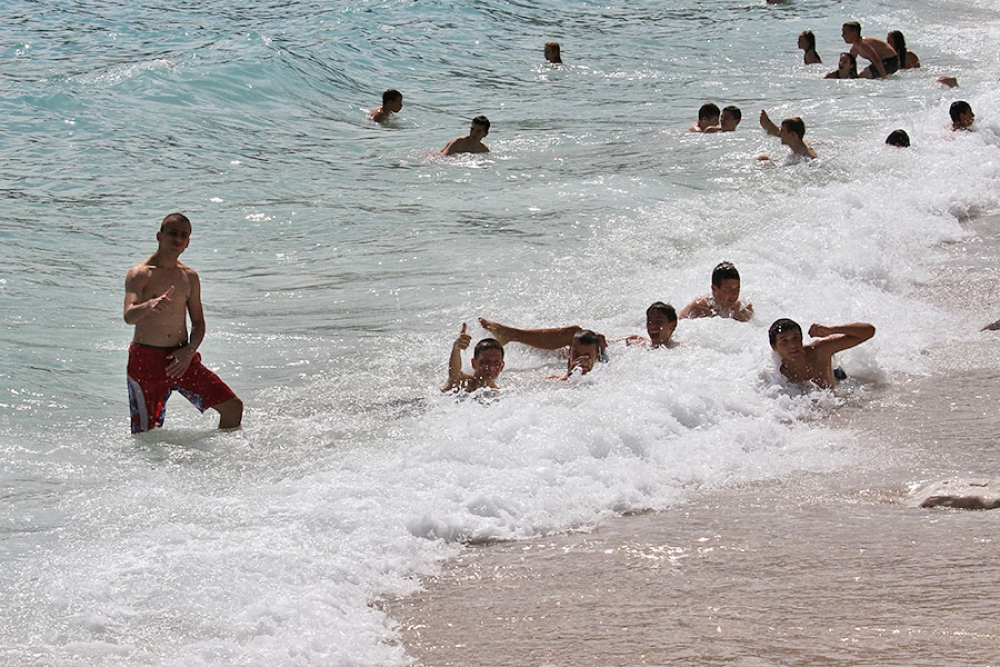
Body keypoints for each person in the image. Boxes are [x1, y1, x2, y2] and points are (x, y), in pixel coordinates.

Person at [124, 213, 243, 433]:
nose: (177, 239)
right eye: (172, 233)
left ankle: (224, 463)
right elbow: (129, 316)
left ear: (188, 242)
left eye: (183, 235)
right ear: (159, 236)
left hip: (182, 359)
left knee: (232, 408)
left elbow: (198, 323)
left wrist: (189, 352)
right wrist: (149, 305)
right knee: (145, 435)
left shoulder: (190, 277)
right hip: (146, 361)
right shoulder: (139, 274)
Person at [768, 319, 876, 389]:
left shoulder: (819, 351)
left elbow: (869, 331)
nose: (792, 345)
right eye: (784, 341)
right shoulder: (776, 371)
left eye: (795, 338)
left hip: (838, 380)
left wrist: (832, 330)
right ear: (774, 347)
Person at [680, 262, 754, 321]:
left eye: (737, 288)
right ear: (714, 289)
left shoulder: (744, 310)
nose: (734, 293)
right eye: (728, 289)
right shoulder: (700, 308)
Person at [442, 323, 505, 392]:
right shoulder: (463, 383)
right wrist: (456, 348)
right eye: (485, 362)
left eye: (497, 363)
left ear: (502, 366)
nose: (491, 367)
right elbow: (454, 375)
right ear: (474, 363)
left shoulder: (498, 394)